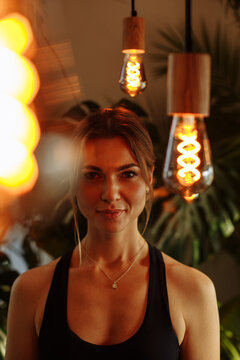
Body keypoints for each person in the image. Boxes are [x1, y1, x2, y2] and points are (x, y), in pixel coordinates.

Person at [5, 107, 220, 360]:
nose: (110, 193)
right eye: (93, 175)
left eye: (127, 174)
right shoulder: (31, 290)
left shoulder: (193, 290)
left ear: (149, 179)